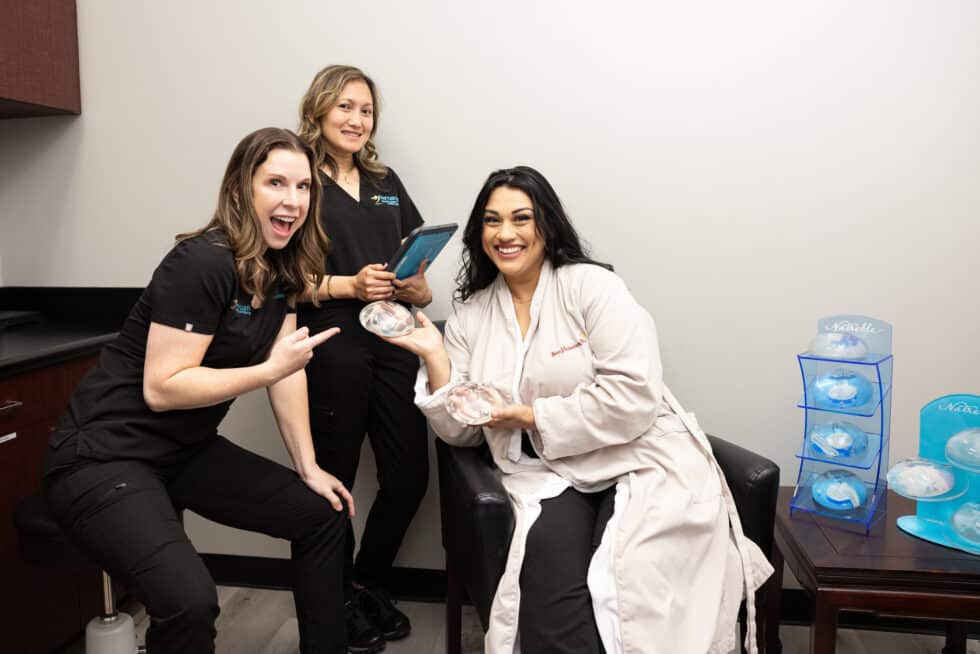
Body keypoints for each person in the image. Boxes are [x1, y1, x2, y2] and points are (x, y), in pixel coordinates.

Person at [385, 166, 774, 654]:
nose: (505, 234)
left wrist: (528, 416)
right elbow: (461, 433)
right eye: (491, 221)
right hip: (545, 472)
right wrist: (436, 357)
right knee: (551, 592)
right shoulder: (470, 317)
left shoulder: (592, 288)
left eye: (520, 218)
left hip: (637, 456)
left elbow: (632, 395)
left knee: (635, 577)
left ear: (545, 225)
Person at [41, 128, 354, 654]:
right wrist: (267, 370)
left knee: (324, 516)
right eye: (275, 182)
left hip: (184, 451)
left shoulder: (281, 270)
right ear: (239, 189)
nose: (292, 200)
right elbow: (164, 388)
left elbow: (289, 369)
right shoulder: (203, 261)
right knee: (190, 602)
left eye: (303, 187)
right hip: (102, 456)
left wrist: (307, 466)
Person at [296, 65, 429, 653]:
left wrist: (415, 289)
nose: (356, 119)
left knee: (408, 476)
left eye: (366, 110)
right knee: (336, 481)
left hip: (394, 339)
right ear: (320, 110)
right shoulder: (296, 179)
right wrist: (347, 286)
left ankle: (364, 582)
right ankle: (335, 602)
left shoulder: (384, 178)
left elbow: (416, 268)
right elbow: (278, 278)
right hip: (331, 347)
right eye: (345, 107)